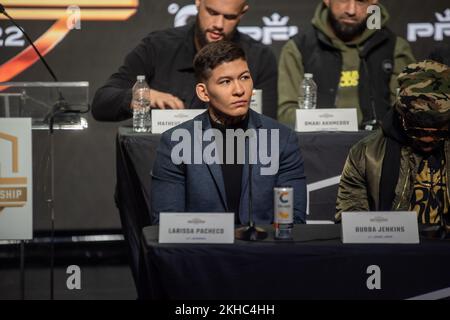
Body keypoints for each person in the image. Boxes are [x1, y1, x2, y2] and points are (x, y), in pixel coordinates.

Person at [150, 41, 306, 225]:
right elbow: (166, 222)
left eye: (245, 77)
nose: (240, 90)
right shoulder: (176, 143)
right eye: (226, 82)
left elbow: (292, 218)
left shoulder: (281, 139)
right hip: (202, 251)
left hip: (264, 251)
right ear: (203, 92)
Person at [92, 0, 278, 121]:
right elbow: (101, 103)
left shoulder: (259, 58)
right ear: (198, 2)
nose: (218, 25)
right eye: (212, 12)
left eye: (229, 17)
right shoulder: (158, 47)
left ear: (243, 13)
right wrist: (144, 97)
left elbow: (267, 130)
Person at [336, 60, 450, 234]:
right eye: (416, 129)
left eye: (438, 131)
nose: (427, 138)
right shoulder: (367, 154)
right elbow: (350, 221)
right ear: (401, 117)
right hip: (391, 252)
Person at [277, 0, 415, 128]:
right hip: (318, 147)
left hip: (379, 148)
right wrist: (328, 124)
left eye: (361, 1)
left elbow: (408, 112)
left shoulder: (395, 47)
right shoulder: (298, 48)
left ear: (374, 2)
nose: (351, 10)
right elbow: (286, 114)